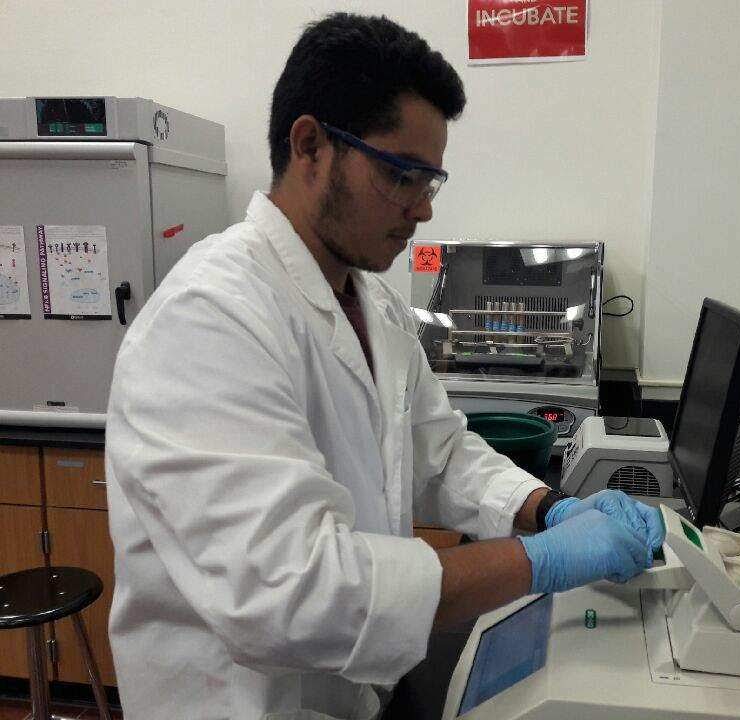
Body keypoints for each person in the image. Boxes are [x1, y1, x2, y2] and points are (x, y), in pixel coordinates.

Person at [105, 13, 663, 720]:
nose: (423, 210)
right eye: (402, 175)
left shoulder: (371, 302)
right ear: (310, 146)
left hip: (365, 690)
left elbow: (440, 451)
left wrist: (550, 509)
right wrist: (540, 560)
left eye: (433, 181)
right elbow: (293, 591)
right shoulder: (208, 318)